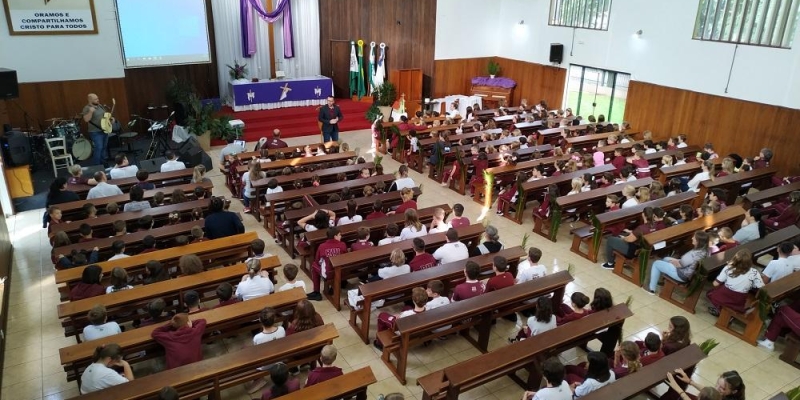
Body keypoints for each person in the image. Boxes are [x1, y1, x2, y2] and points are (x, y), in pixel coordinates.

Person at [707, 249, 764, 316]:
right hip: (739, 299)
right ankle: (723, 311)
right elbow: (762, 287)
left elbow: (715, 284)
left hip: (724, 294)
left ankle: (719, 310)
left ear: (735, 259)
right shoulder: (754, 272)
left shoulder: (729, 267)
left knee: (710, 293)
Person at [245, 307, 288, 393]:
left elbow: (256, 352)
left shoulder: (257, 338)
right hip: (279, 360)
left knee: (246, 350)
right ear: (274, 319)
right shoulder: (281, 329)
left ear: (260, 320)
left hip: (264, 365)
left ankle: (258, 379)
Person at [307, 227, 348, 301]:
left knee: (314, 265)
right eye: (339, 235)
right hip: (342, 271)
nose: (341, 236)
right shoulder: (343, 244)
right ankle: (337, 285)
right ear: (335, 236)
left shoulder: (322, 246)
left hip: (329, 274)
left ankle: (316, 292)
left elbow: (317, 260)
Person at [667, 369, 740, 400]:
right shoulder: (716, 396)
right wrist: (690, 381)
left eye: (723, 388)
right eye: (717, 384)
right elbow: (708, 391)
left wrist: (679, 390)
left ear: (733, 391)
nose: (717, 389)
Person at [82, 93, 112, 167]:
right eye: (95, 99)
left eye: (98, 98)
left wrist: (111, 119)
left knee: (104, 147)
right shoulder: (87, 108)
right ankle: (97, 166)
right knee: (99, 147)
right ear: (90, 100)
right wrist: (91, 112)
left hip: (104, 130)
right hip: (95, 132)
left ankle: (103, 163)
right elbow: (86, 119)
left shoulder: (100, 106)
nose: (98, 100)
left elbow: (105, 116)